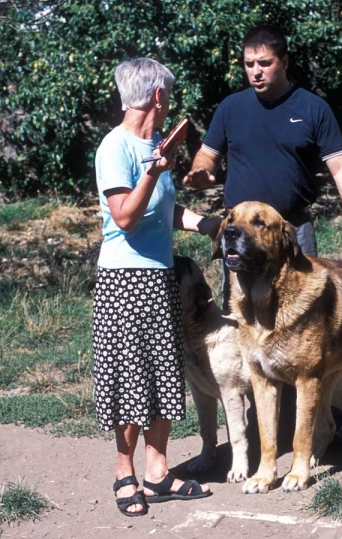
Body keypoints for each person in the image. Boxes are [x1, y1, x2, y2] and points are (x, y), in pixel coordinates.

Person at [183, 25, 342, 310]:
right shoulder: (231, 108)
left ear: (285, 62)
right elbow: (207, 153)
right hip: (240, 230)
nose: (256, 71)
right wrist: (202, 170)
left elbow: (341, 167)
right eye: (249, 64)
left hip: (292, 229)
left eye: (265, 63)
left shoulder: (313, 108)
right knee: (240, 319)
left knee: (304, 313)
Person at [93, 57, 217, 517]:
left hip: (159, 278)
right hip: (124, 282)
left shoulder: (153, 145)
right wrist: (154, 169)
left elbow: (164, 211)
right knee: (131, 381)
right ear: (159, 97)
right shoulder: (116, 147)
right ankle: (126, 475)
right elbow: (125, 216)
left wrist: (207, 224)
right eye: (169, 95)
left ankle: (158, 471)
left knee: (164, 376)